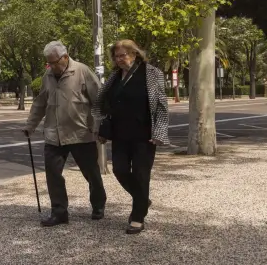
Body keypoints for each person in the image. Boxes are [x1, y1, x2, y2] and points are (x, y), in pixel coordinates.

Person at [23, 41, 105, 227]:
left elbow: (99, 101)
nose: (51, 67)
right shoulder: (48, 76)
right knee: (53, 175)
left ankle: (98, 204)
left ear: (65, 57)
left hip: (80, 133)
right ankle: (59, 212)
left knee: (91, 173)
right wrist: (30, 125)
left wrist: (100, 127)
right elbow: (40, 102)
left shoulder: (82, 71)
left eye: (54, 62)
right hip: (54, 135)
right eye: (48, 63)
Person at [94, 39, 169, 235]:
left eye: (123, 55)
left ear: (135, 54)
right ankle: (143, 199)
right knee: (119, 170)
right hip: (120, 134)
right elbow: (103, 103)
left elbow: (161, 105)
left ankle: (137, 217)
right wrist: (102, 128)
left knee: (141, 175)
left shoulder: (152, 73)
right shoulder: (115, 76)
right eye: (116, 56)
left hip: (144, 135)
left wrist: (159, 131)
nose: (119, 59)